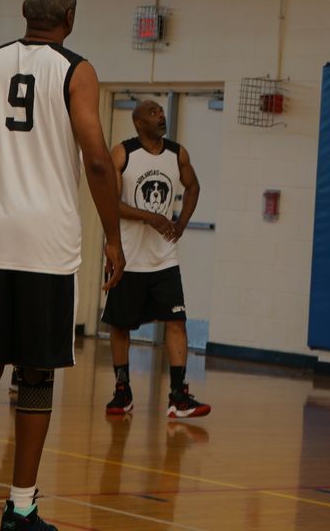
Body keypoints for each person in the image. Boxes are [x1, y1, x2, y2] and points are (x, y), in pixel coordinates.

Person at [0, 0, 124, 531]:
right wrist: (113, 236)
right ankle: (20, 507)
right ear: (70, 18)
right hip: (45, 241)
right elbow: (96, 158)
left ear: (24, 13)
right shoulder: (76, 70)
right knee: (37, 373)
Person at [102, 97, 210, 419]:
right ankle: (123, 391)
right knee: (120, 326)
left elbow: (193, 188)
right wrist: (149, 216)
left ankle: (178, 396)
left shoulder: (178, 154)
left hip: (164, 258)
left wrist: (181, 224)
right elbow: (108, 201)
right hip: (129, 255)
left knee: (176, 321)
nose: (160, 115)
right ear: (138, 123)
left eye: (161, 111)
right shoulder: (123, 153)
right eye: (153, 112)